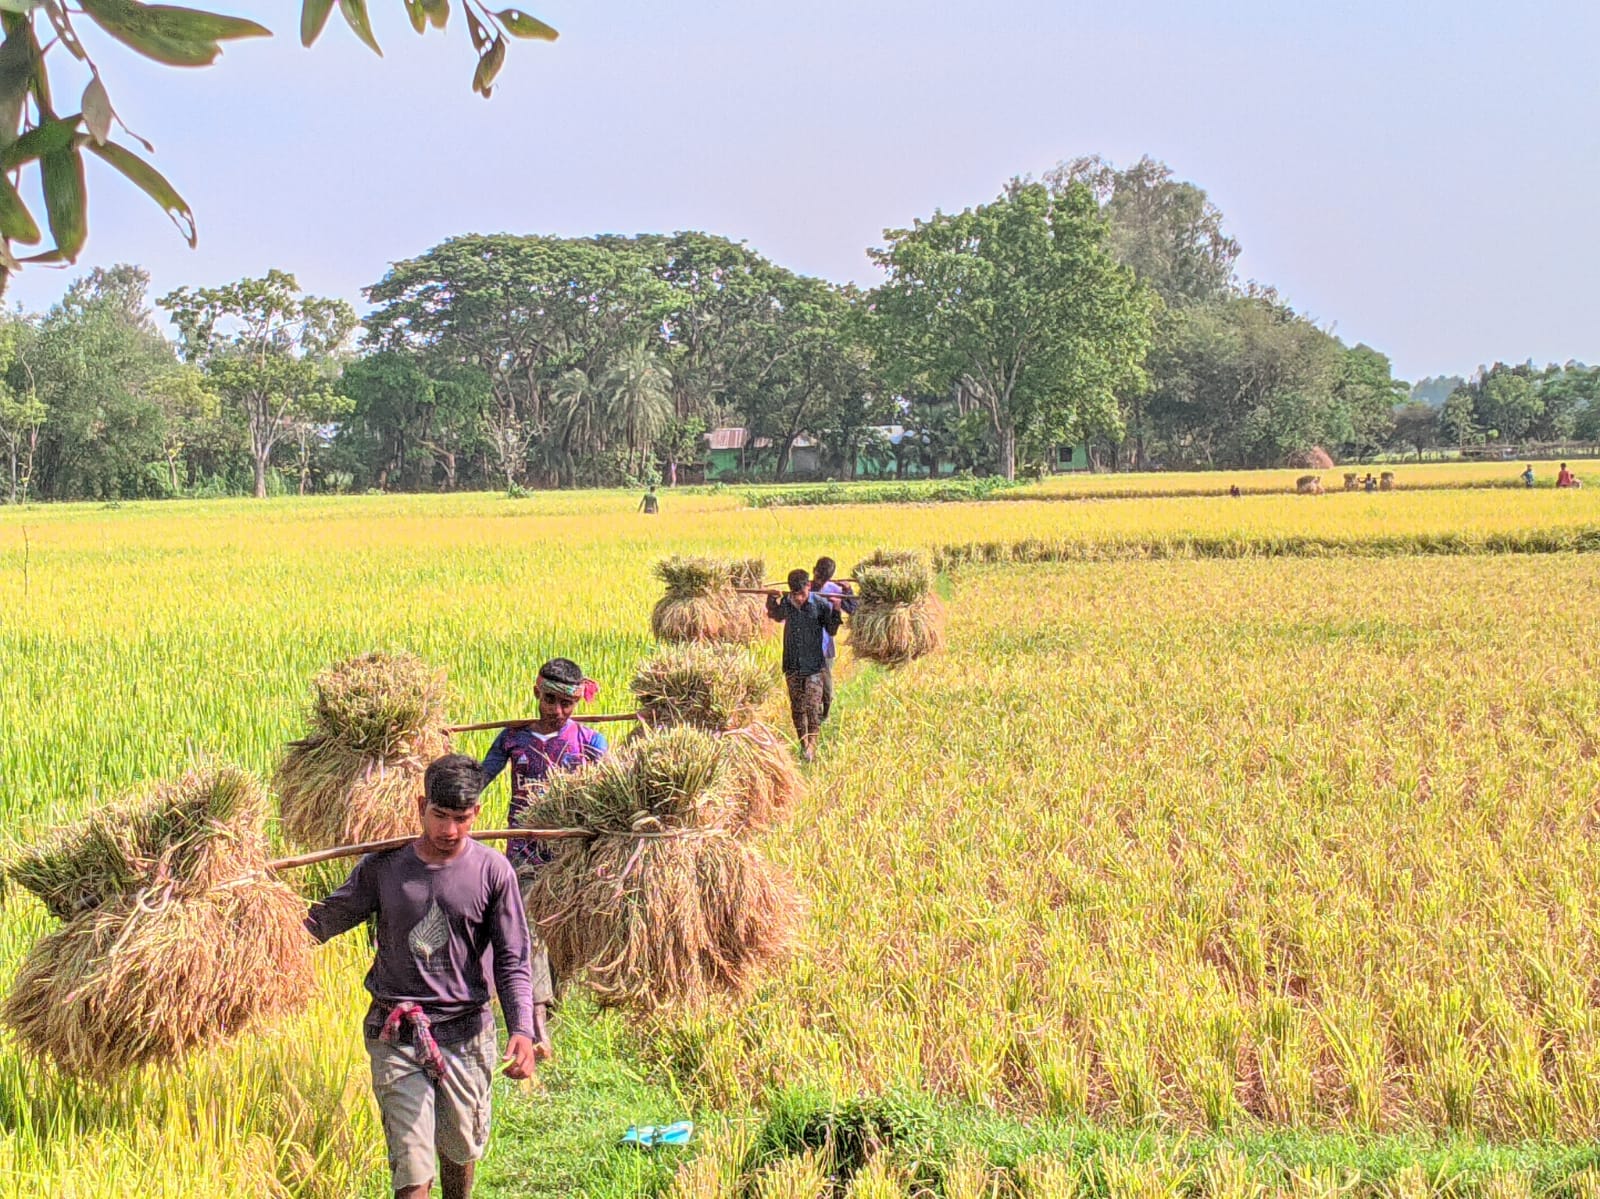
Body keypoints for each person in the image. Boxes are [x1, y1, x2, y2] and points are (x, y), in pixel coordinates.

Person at [306, 755, 545, 1199]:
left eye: (461, 818)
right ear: (421, 806)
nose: (449, 830)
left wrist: (523, 1029)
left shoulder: (493, 872)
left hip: (466, 1035)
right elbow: (326, 919)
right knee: (412, 1172)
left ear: (476, 813)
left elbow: (513, 958)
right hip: (396, 1034)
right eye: (439, 816)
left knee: (459, 1152)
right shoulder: (385, 867)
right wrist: (263, 932)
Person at [481, 658, 607, 869]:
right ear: (537, 692)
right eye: (550, 699)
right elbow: (479, 779)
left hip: (570, 852)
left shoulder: (590, 741)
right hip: (522, 851)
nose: (556, 710)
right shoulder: (512, 738)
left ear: (576, 702)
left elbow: (610, 788)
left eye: (566, 704)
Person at [766, 568, 843, 762]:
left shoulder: (820, 605)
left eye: (801, 593)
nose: (799, 598)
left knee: (812, 706)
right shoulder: (787, 603)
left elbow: (832, 630)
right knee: (797, 708)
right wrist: (771, 600)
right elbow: (775, 615)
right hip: (792, 665)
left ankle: (812, 745)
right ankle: (803, 744)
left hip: (814, 666)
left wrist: (836, 609)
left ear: (808, 586)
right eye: (795, 594)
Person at [810, 556, 857, 723]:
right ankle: (811, 713)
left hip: (825, 644)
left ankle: (825, 713)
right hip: (805, 643)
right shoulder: (804, 588)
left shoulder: (834, 590)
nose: (820, 582)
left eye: (824, 579)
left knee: (825, 680)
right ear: (813, 571)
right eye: (818, 577)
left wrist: (848, 592)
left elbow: (853, 609)